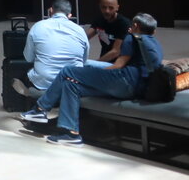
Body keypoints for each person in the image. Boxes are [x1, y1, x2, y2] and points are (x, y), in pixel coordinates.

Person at [21, 12, 163, 145]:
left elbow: (118, 66)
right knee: (71, 85)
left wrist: (96, 73)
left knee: (68, 71)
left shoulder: (131, 38)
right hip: (138, 89)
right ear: (154, 31)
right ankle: (71, 134)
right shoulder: (156, 44)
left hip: (123, 81)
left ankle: (40, 109)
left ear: (136, 26)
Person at [13, 0, 89, 95]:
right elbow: (84, 60)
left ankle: (36, 94)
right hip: (73, 82)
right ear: (69, 15)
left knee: (22, 73)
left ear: (50, 11)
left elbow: (29, 59)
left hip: (43, 82)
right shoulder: (80, 30)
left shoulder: (37, 26)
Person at [85, 0, 131, 67]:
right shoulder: (99, 20)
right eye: (104, 7)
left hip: (119, 64)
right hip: (104, 60)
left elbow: (115, 51)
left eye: (111, 8)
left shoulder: (123, 23)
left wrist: (96, 63)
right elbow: (84, 38)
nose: (107, 11)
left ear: (117, 8)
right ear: (100, 7)